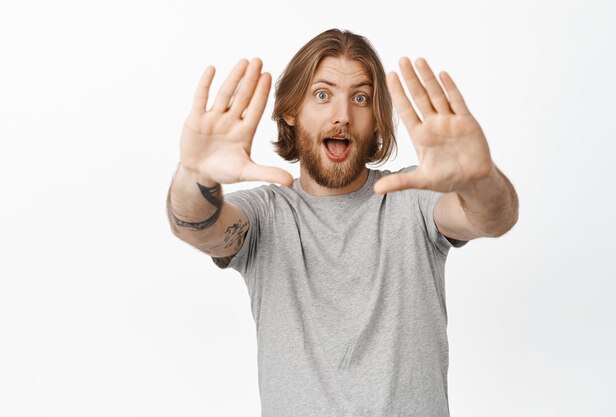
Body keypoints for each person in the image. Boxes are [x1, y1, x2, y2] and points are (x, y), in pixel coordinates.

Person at [166, 29, 518, 417]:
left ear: (376, 119)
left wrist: (481, 179)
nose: (342, 115)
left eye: (360, 98)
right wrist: (194, 175)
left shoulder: (411, 199)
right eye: (322, 95)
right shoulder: (266, 213)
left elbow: (493, 217)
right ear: (291, 111)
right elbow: (194, 225)